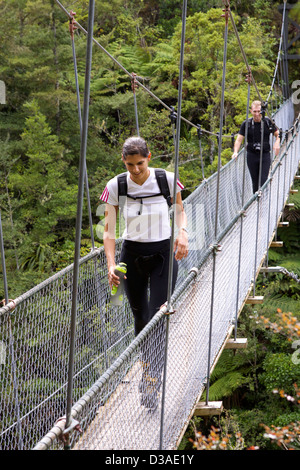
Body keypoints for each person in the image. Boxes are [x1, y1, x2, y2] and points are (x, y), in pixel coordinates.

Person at [100, 136, 188, 410]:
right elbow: (109, 230)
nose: (135, 169)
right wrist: (111, 264)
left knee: (158, 315)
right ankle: (148, 364)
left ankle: (151, 378)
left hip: (164, 254)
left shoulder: (166, 179)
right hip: (132, 255)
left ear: (149, 157)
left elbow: (180, 212)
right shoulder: (117, 185)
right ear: (123, 162)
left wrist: (183, 232)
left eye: (140, 163)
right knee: (140, 315)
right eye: (130, 164)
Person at [232, 100, 280, 193]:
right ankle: (257, 205)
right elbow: (239, 140)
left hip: (265, 155)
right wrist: (235, 152)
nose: (257, 114)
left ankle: (263, 203)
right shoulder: (246, 124)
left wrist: (277, 143)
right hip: (251, 155)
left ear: (262, 111)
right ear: (251, 111)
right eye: (255, 111)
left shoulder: (268, 122)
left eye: (259, 111)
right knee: (255, 182)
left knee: (263, 181)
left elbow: (278, 134)